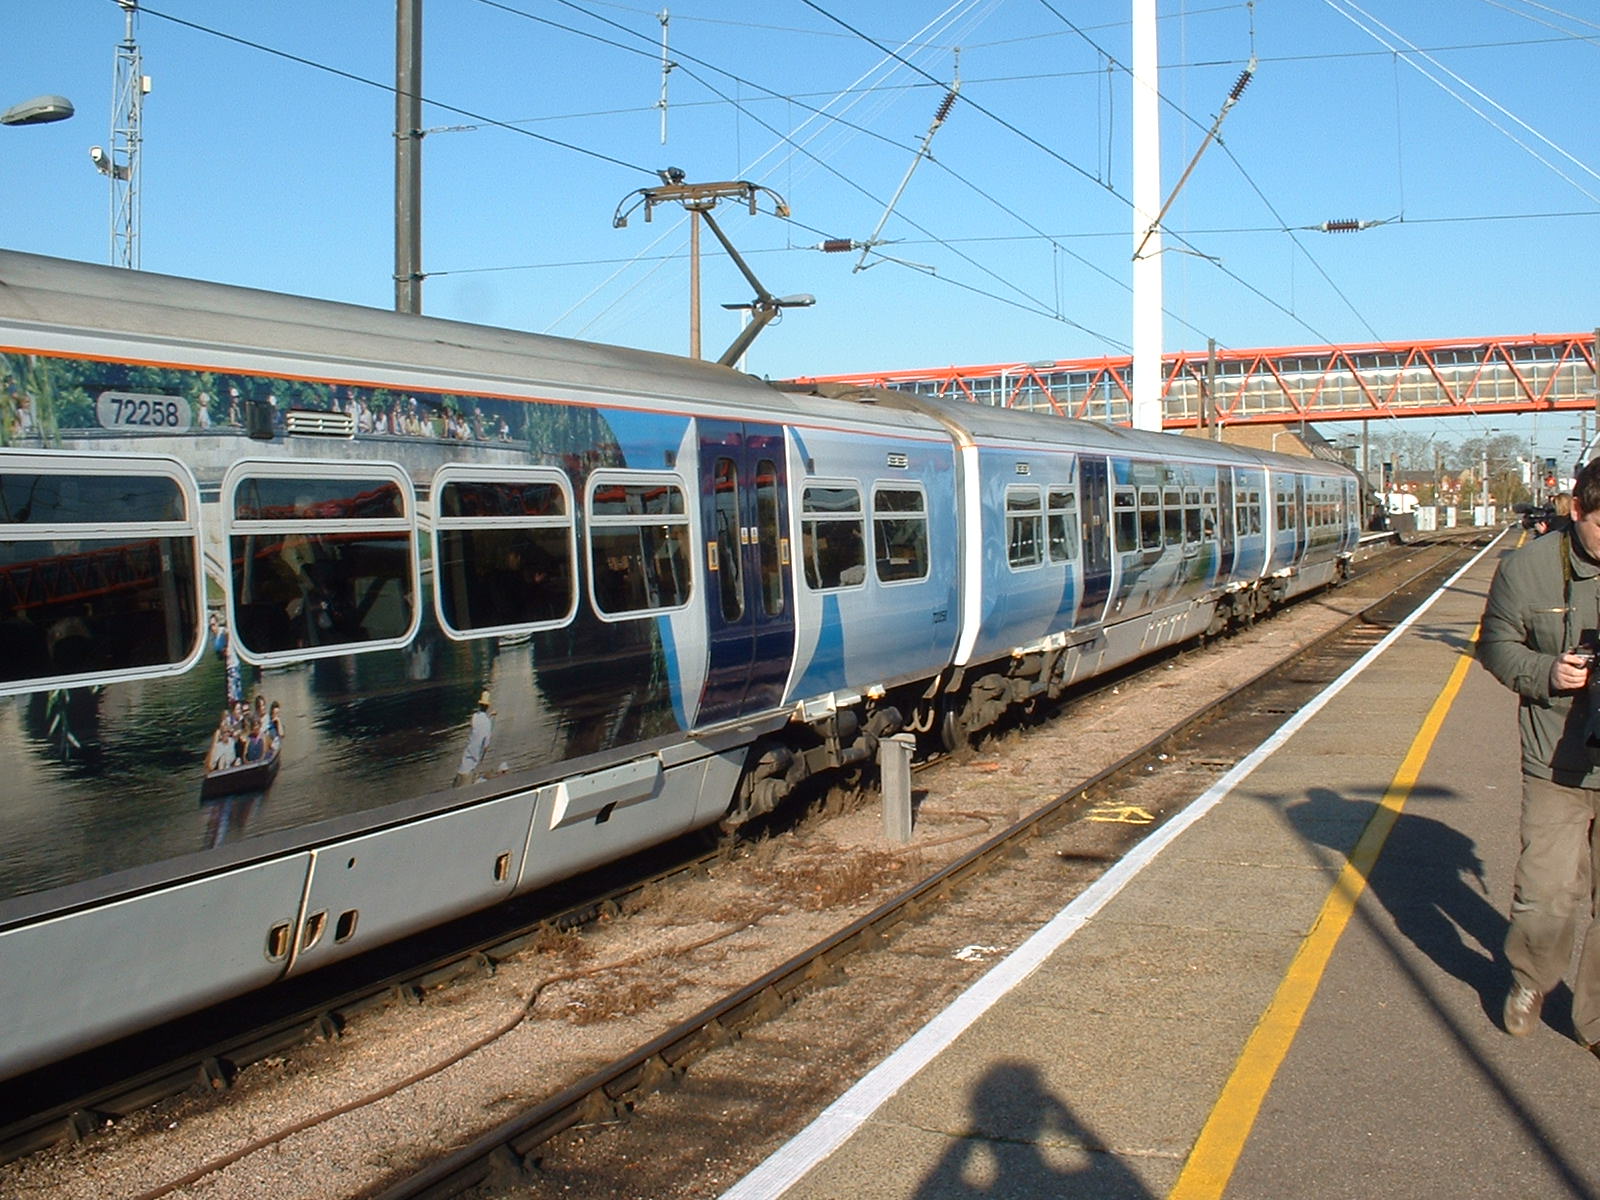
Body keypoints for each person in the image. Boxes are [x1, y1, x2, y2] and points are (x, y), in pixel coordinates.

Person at [1479, 458, 1600, 1049]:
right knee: (1546, 894)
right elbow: (1496, 647)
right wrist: (1547, 671)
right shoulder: (1525, 570)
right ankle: (1531, 979)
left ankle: (1595, 1021)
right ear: (1576, 511)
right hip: (1557, 758)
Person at [454, 691, 494, 787]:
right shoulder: (487, 722)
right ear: (487, 707)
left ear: (479, 705)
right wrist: (490, 717)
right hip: (471, 766)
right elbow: (486, 745)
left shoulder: (475, 717)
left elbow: (476, 726)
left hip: (464, 763)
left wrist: (490, 716)